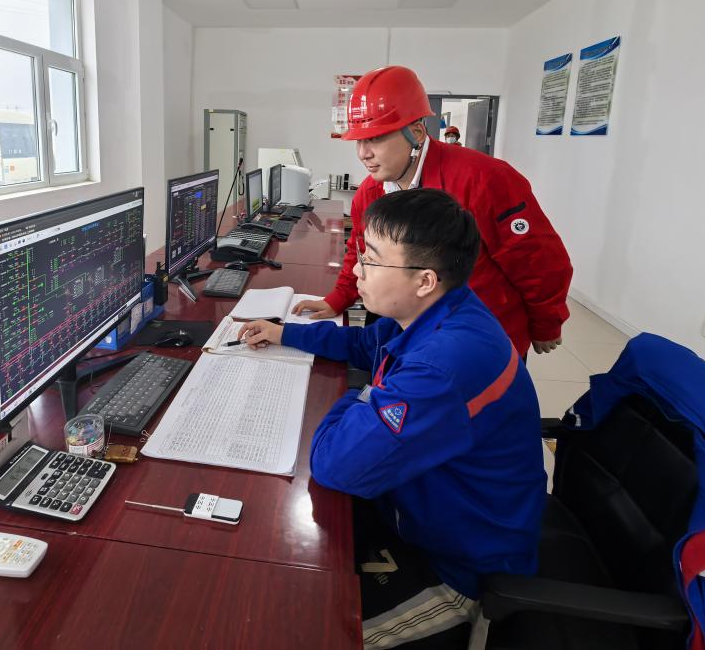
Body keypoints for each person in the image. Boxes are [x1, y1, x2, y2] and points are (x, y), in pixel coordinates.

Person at [239, 189, 546, 648]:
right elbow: (366, 345)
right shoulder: (441, 308)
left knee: (296, 631)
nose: (356, 271)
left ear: (424, 280)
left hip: (459, 566)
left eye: (373, 260)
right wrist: (285, 334)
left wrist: (361, 396)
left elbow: (336, 464)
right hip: (416, 507)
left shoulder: (444, 365)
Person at [295, 65, 572, 357]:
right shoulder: (370, 192)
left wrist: (546, 323)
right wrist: (337, 299)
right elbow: (361, 251)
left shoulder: (484, 179)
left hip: (479, 338)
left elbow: (537, 259)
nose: (364, 153)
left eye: (376, 138)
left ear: (416, 132)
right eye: (359, 141)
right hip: (408, 328)